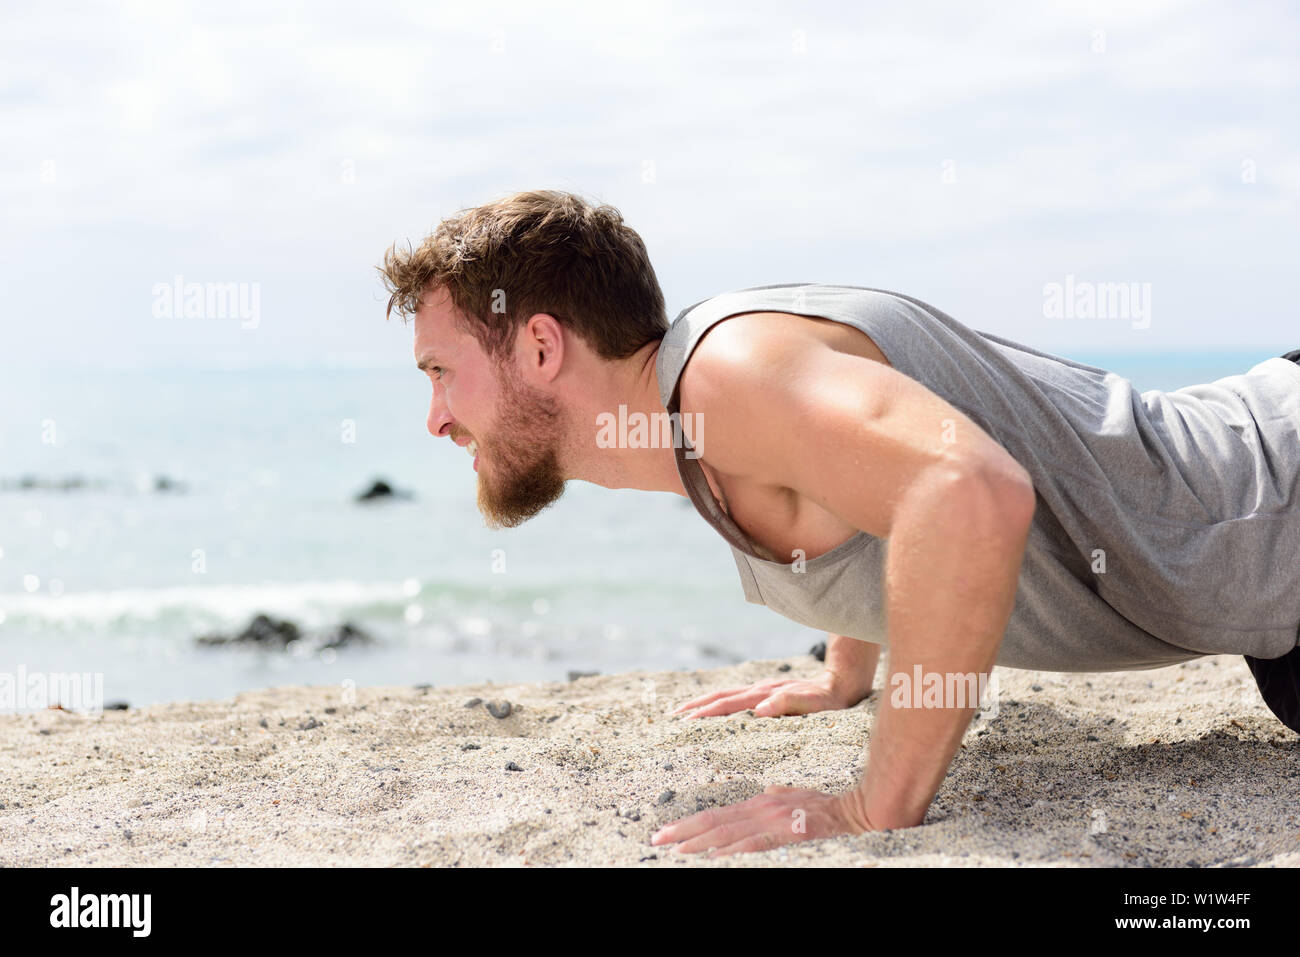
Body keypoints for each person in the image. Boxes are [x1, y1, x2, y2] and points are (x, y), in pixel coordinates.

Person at [378, 189, 1300, 858]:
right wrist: (845, 665)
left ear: (539, 345)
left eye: (438, 372)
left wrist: (873, 806)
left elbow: (968, 491)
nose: (435, 419)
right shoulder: (690, 417)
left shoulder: (728, 372)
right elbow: (866, 494)